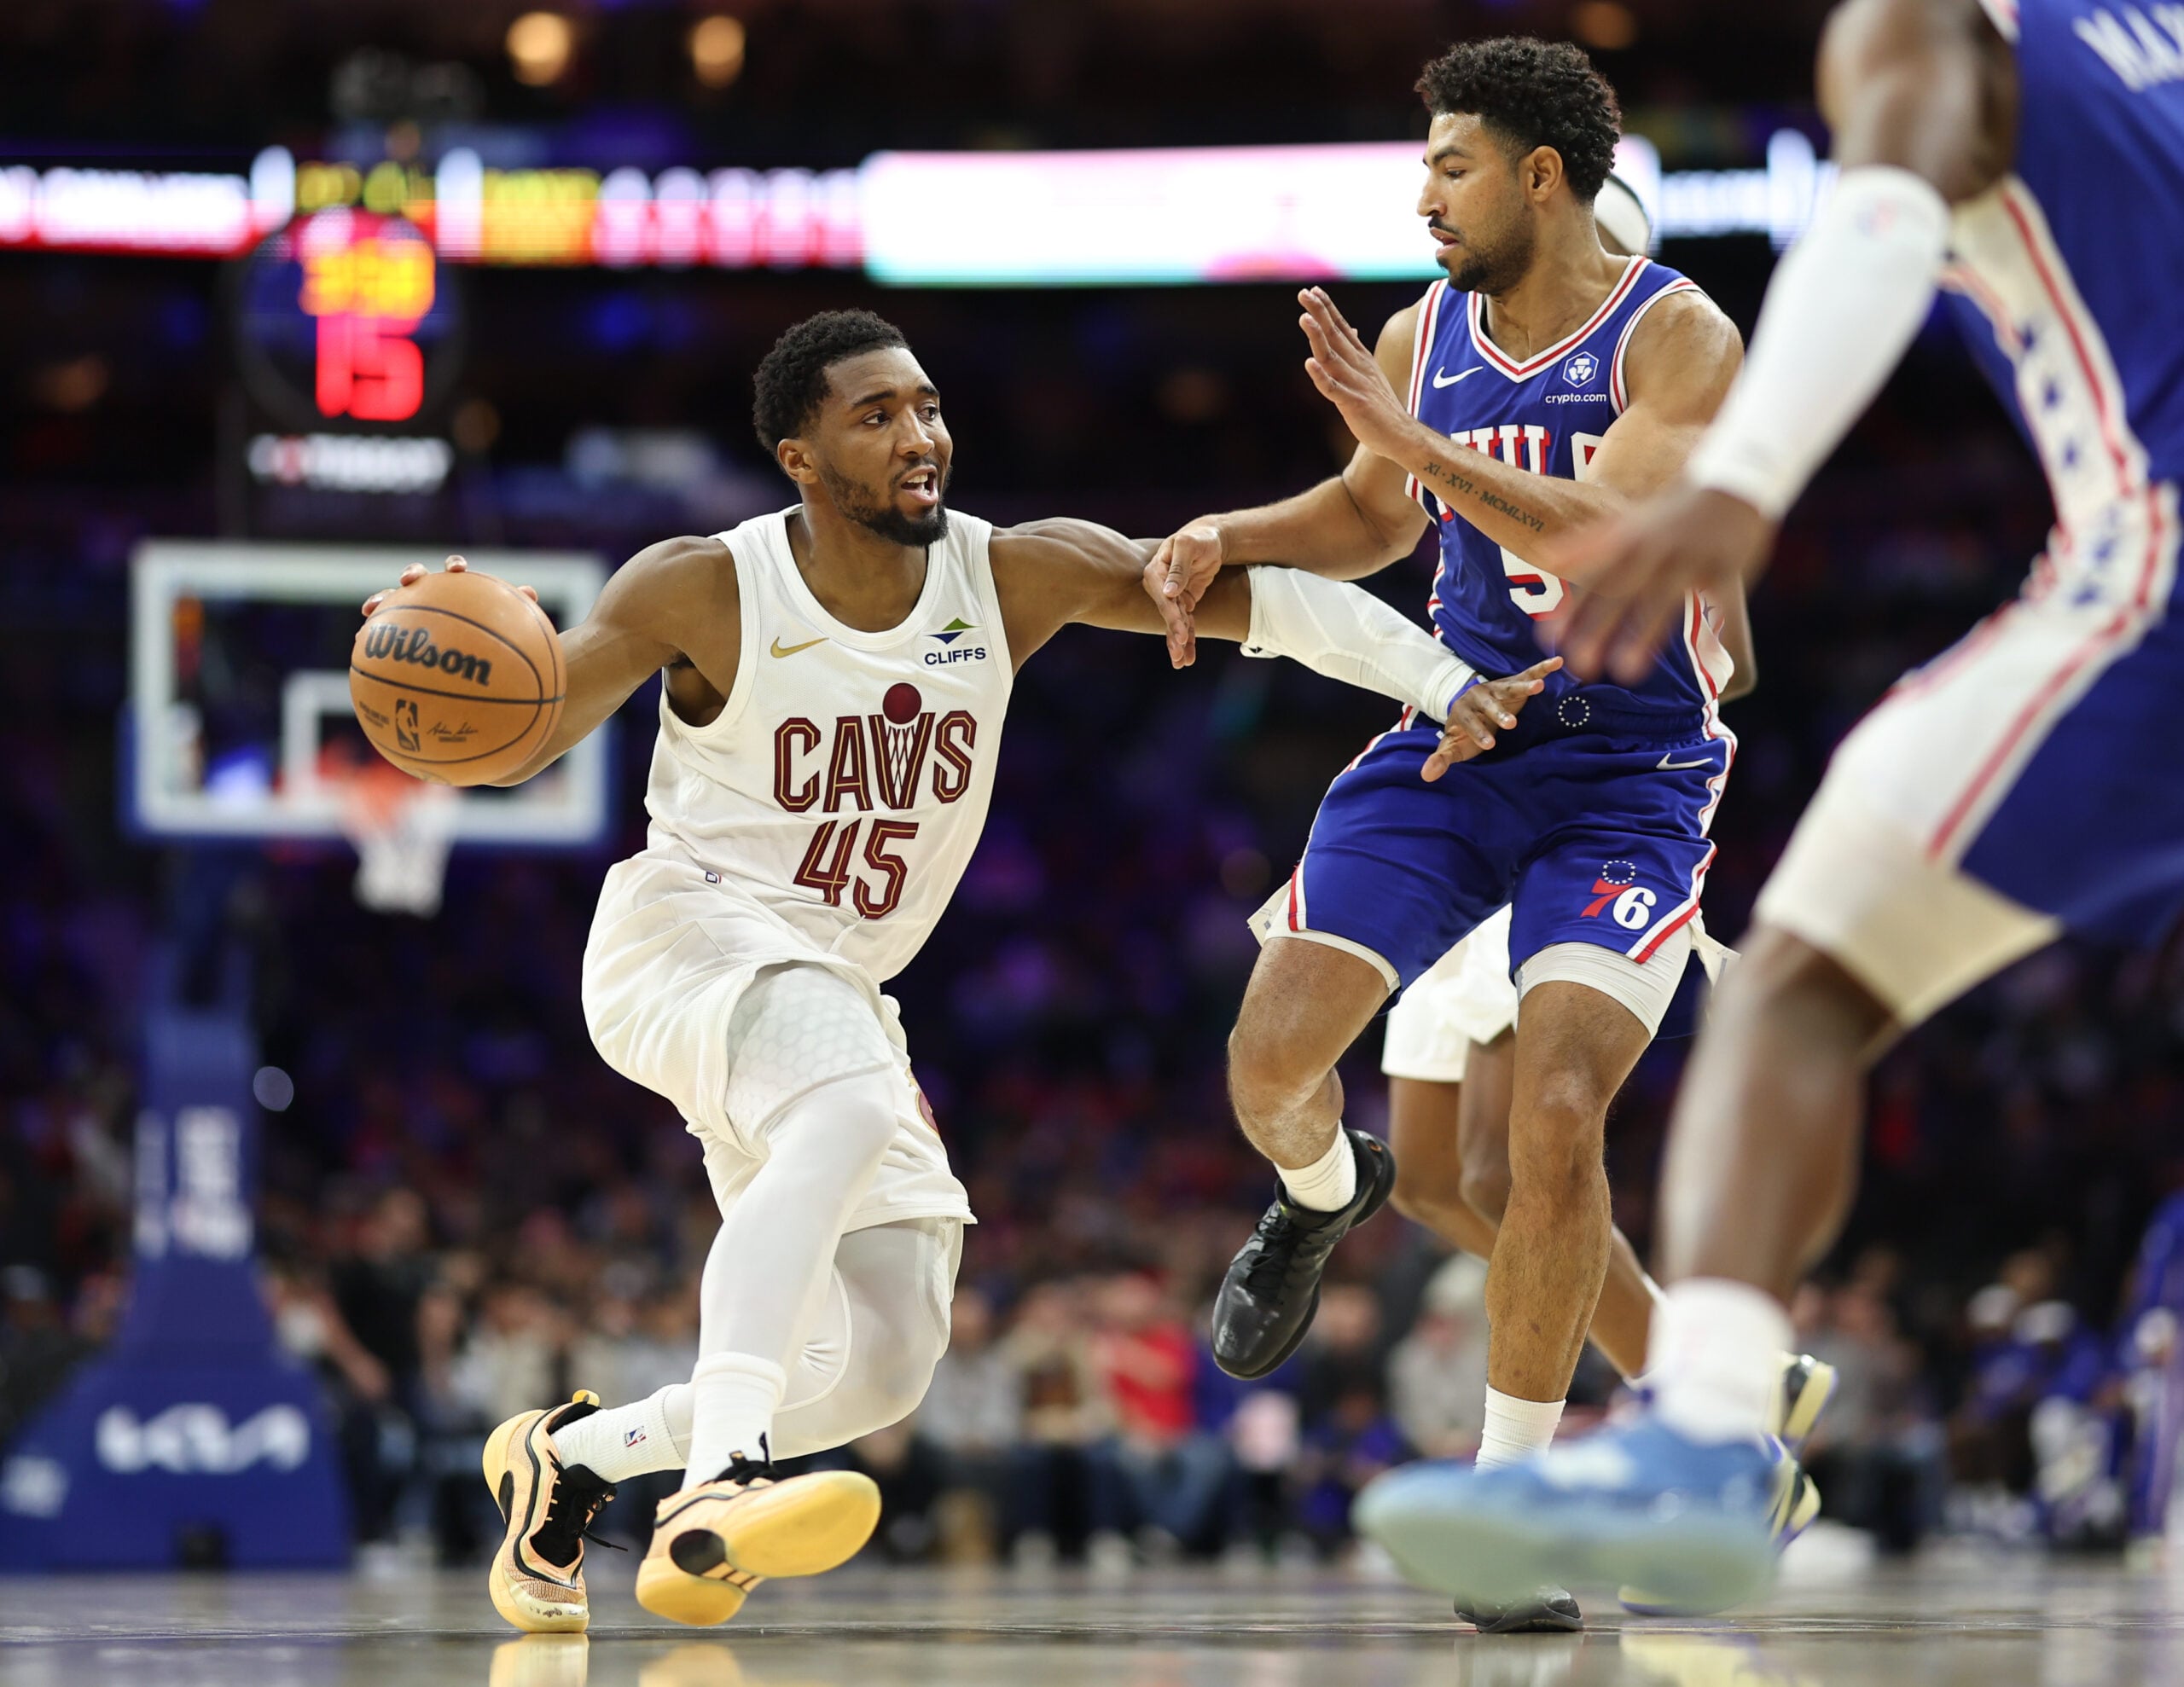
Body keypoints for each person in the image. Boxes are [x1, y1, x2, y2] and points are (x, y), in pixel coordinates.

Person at [360, 310, 1548, 1632]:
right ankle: (714, 1486)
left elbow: (1263, 605)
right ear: (797, 454)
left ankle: (569, 1463)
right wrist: (445, 683)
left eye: (925, 407)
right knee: (848, 1105)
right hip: (689, 932)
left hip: (842, 988)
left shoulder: (1012, 573)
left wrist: (1441, 678)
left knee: (883, 1361)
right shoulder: (701, 583)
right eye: (876, 416)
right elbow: (527, 731)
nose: (920, 435)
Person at [1354, 0, 2184, 1615]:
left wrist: (1741, 484)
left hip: (2153, 584)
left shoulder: (1937, 27)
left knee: (1801, 982)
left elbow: (1877, 212)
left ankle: (1708, 1431)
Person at [1146, 38, 1772, 1630]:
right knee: (1268, 1060)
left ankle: (1508, 1512)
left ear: (1541, 177)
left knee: (1553, 1114)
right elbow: (1371, 518)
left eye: (1450, 164)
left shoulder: (1677, 334)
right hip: (1468, 732)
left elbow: (1609, 533)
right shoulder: (1428, 331)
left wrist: (1418, 453)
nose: (1422, 193)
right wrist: (1223, 531)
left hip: (1631, 769)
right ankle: (1310, 1190)